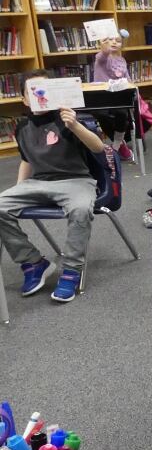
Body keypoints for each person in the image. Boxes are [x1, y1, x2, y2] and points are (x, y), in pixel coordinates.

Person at [0, 69, 106, 302]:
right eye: (34, 91)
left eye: (46, 90)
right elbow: (27, 160)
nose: (40, 95)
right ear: (25, 99)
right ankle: (33, 263)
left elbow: (98, 148)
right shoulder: (22, 128)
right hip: (40, 183)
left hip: (76, 181)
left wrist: (76, 126)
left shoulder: (67, 120)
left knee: (79, 210)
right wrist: (19, 189)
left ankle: (71, 270)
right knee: (0, 206)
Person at [92, 29, 134, 161]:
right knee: (102, 115)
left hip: (118, 96)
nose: (114, 43)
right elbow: (103, 55)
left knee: (122, 113)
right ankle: (119, 145)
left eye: (118, 41)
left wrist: (132, 87)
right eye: (111, 40)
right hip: (101, 97)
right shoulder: (101, 58)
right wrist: (104, 48)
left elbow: (127, 78)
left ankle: (116, 145)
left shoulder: (122, 60)